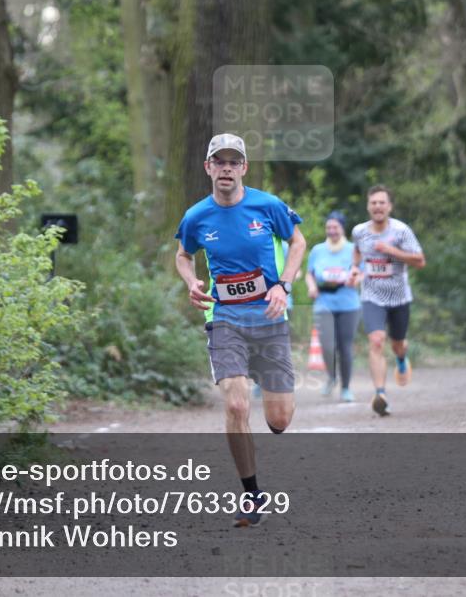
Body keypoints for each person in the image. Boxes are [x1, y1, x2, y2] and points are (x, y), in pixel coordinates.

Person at [175, 133, 306, 528]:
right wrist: (191, 281)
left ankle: (274, 409)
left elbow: (297, 241)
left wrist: (283, 284)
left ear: (244, 167)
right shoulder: (196, 216)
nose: (227, 168)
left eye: (234, 162)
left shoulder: (267, 206)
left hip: (268, 316)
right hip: (225, 317)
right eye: (220, 161)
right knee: (235, 405)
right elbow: (183, 254)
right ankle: (252, 495)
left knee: (280, 420)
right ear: (209, 168)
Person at [349, 185, 425, 417]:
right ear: (368, 206)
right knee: (376, 340)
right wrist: (354, 269)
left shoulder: (401, 231)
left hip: (399, 296)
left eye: (382, 203)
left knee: (397, 343)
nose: (378, 206)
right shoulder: (360, 231)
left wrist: (391, 251)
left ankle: (402, 357)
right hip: (372, 295)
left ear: (389, 206)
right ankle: (380, 395)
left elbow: (420, 260)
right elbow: (357, 252)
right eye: (374, 203)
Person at [305, 211, 361, 402]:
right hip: (323, 303)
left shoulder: (353, 250)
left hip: (348, 303)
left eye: (335, 227)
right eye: (328, 227)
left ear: (342, 228)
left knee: (345, 347)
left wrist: (355, 279)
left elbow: (361, 273)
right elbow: (309, 273)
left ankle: (345, 388)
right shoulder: (318, 250)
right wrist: (312, 287)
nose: (331, 231)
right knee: (327, 346)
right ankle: (331, 377)